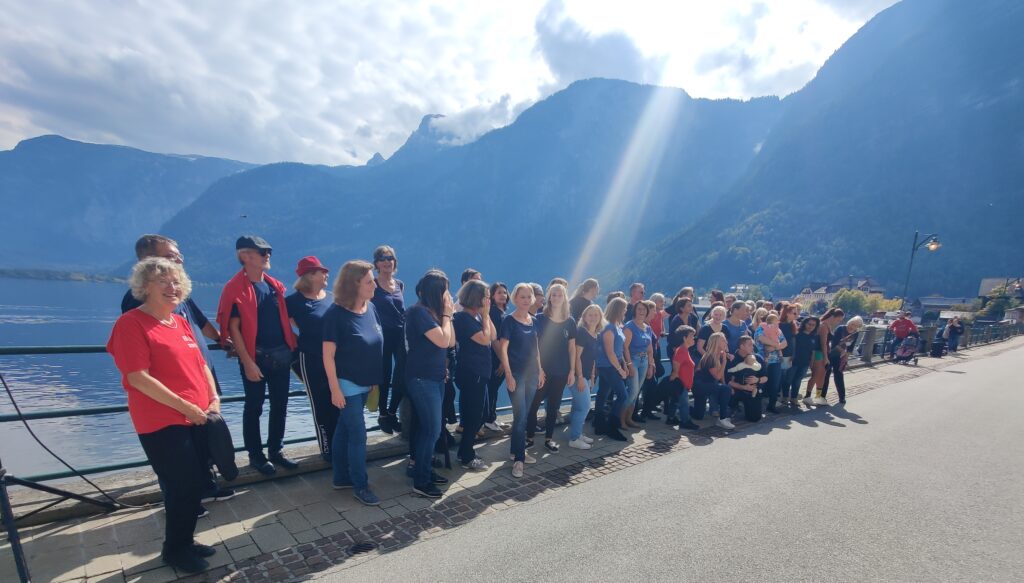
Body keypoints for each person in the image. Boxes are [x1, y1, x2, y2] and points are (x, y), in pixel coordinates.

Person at [107, 258, 221, 573]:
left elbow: (200, 365)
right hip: (162, 422)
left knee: (197, 483)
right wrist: (187, 408)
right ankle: (174, 551)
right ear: (145, 287)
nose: (172, 288)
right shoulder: (131, 323)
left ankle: (185, 540)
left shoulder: (180, 321)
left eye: (175, 282)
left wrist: (213, 398)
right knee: (182, 484)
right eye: (163, 282)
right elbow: (137, 377)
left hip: (198, 416)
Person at [120, 235, 233, 509]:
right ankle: (184, 503)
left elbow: (201, 322)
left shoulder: (179, 293)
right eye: (171, 255)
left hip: (199, 375)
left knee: (202, 439)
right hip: (169, 395)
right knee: (175, 456)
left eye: (178, 255)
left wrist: (221, 339)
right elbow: (139, 371)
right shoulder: (136, 305)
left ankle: (205, 486)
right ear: (149, 261)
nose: (179, 259)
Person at [216, 235, 298, 476]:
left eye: (268, 251)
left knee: (280, 405)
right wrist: (248, 362)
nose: (267, 255)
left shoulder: (273, 286)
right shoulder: (235, 289)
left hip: (280, 356)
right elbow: (233, 329)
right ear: (245, 256)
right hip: (256, 358)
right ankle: (256, 455)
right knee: (254, 407)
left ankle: (276, 450)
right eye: (261, 252)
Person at [322, 260, 383, 506]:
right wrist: (335, 389)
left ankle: (340, 477)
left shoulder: (371, 308)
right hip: (345, 383)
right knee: (358, 435)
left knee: (344, 431)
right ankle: (361, 485)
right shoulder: (335, 315)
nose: (374, 285)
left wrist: (372, 380)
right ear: (354, 284)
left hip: (365, 382)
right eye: (369, 281)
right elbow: (328, 356)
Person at [404, 270, 455, 498]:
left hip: (435, 377)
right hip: (422, 379)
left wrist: (447, 316)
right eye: (446, 289)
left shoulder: (433, 314)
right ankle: (421, 481)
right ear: (438, 291)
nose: (449, 294)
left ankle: (424, 470)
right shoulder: (418, 313)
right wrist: (447, 315)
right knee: (431, 430)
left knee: (430, 429)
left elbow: (450, 342)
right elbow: (443, 339)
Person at [286, 256, 335, 461]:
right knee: (320, 404)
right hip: (311, 359)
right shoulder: (293, 301)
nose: (326, 274)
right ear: (309, 276)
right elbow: (284, 326)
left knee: (338, 402)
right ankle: (327, 451)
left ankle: (339, 445)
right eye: (321, 271)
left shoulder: (332, 297)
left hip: (334, 360)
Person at [497, 283, 545, 478]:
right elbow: (503, 349)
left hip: (533, 374)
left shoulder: (534, 321)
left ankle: (515, 451)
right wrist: (508, 374)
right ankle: (519, 460)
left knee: (524, 414)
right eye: (522, 296)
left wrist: (541, 370)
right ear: (515, 298)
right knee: (521, 416)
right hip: (516, 374)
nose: (526, 300)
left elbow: (536, 349)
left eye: (528, 296)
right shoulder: (508, 321)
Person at [453, 279, 496, 470]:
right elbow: (484, 339)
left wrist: (486, 316)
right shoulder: (462, 318)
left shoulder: (477, 317)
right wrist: (486, 316)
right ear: (477, 298)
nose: (489, 300)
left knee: (482, 414)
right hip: (471, 373)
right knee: (473, 416)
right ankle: (466, 456)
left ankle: (466, 449)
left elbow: (493, 336)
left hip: (480, 373)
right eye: (486, 296)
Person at [532, 283, 577, 452]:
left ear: (565, 298)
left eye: (560, 295)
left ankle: (549, 439)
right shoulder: (540, 318)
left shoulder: (570, 321)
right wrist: (539, 369)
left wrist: (572, 371)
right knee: (534, 404)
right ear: (549, 297)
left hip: (561, 370)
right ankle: (529, 437)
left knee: (553, 407)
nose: (557, 298)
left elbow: (572, 348)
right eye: (554, 295)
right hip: (542, 370)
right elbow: (534, 345)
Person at [370, 245, 406, 435]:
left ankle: (392, 412)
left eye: (390, 258)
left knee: (403, 374)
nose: (387, 261)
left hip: (400, 335)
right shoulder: (372, 285)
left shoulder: (399, 284)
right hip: (381, 336)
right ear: (376, 263)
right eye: (382, 258)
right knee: (384, 375)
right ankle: (383, 414)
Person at [595, 298, 630, 441]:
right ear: (618, 310)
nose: (626, 311)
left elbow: (618, 350)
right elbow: (609, 352)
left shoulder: (616, 326)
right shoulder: (608, 327)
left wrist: (625, 365)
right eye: (624, 308)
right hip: (608, 366)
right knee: (623, 396)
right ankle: (612, 427)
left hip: (612, 365)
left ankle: (599, 425)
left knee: (603, 394)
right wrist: (620, 370)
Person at [571, 304, 603, 449]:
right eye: (590, 315)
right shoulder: (582, 332)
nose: (593, 317)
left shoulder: (596, 334)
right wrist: (580, 378)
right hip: (579, 375)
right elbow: (577, 357)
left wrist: (592, 376)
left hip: (587, 375)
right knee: (584, 407)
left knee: (578, 406)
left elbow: (593, 358)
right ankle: (574, 439)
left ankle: (577, 434)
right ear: (584, 317)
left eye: (596, 315)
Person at [622, 300, 654, 429]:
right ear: (635, 311)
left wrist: (651, 365)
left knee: (636, 392)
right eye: (639, 309)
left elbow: (650, 348)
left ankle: (629, 418)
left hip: (644, 361)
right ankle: (620, 419)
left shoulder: (648, 327)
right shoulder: (629, 326)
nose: (641, 312)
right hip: (633, 360)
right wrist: (629, 364)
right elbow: (624, 348)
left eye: (644, 309)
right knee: (632, 391)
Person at [691, 332, 733, 429]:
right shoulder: (710, 357)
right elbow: (717, 376)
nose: (726, 342)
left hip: (708, 384)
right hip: (700, 386)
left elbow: (720, 376)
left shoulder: (720, 354)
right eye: (723, 340)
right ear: (716, 343)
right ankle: (722, 419)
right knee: (725, 389)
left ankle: (723, 416)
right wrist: (724, 362)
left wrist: (724, 384)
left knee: (698, 415)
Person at [483, 282, 510, 432]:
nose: (503, 295)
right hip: (495, 358)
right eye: (499, 292)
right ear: (492, 296)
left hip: (500, 357)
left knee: (494, 388)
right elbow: (495, 339)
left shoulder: (502, 313)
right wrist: (502, 361)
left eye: (505, 292)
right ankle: (488, 419)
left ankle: (491, 417)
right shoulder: (493, 312)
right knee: (492, 388)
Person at [806, 308, 845, 406]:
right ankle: (807, 396)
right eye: (838, 320)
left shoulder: (828, 326)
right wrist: (826, 357)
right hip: (819, 353)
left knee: (822, 376)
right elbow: (823, 344)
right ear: (833, 317)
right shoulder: (823, 326)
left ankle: (818, 397)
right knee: (816, 375)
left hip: (825, 353)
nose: (838, 322)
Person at [822, 315, 863, 405]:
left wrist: (846, 356)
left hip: (841, 356)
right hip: (832, 354)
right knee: (826, 376)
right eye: (852, 324)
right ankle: (822, 397)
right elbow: (834, 343)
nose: (852, 327)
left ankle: (842, 397)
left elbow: (851, 346)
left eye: (856, 325)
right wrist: (843, 351)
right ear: (849, 322)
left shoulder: (855, 333)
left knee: (839, 376)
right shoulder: (841, 329)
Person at [667, 326, 701, 431]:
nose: (694, 338)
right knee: (684, 403)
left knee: (676, 401)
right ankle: (685, 421)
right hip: (681, 384)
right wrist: (675, 379)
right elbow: (676, 366)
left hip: (683, 383)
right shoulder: (681, 350)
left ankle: (671, 418)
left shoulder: (685, 350)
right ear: (684, 338)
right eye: (691, 336)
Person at [753, 313, 788, 413]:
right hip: (763, 360)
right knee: (761, 384)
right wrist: (777, 345)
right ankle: (757, 407)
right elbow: (761, 338)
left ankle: (771, 405)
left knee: (775, 384)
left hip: (776, 361)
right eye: (777, 319)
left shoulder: (778, 330)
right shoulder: (761, 328)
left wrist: (775, 347)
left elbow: (785, 343)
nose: (778, 321)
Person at [726, 336, 766, 423]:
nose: (753, 347)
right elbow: (727, 381)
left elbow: (765, 377)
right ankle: (733, 407)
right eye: (750, 345)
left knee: (754, 418)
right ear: (741, 346)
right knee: (728, 390)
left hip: (753, 390)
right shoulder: (732, 359)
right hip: (737, 389)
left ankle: (750, 407)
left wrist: (757, 380)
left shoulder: (757, 358)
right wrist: (744, 387)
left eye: (753, 345)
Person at [787, 317, 819, 406]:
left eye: (813, 325)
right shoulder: (797, 334)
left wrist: (811, 363)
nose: (811, 326)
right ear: (805, 323)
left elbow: (813, 351)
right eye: (809, 324)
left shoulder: (814, 337)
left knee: (797, 381)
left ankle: (794, 398)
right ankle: (785, 397)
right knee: (788, 380)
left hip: (805, 363)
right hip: (794, 361)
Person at [778, 303, 799, 406]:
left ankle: (785, 396)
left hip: (791, 354)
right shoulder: (781, 325)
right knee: (783, 376)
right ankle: (782, 396)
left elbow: (794, 341)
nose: (796, 314)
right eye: (794, 313)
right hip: (784, 354)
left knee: (788, 377)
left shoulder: (793, 325)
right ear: (787, 313)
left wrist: (793, 354)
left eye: (796, 312)